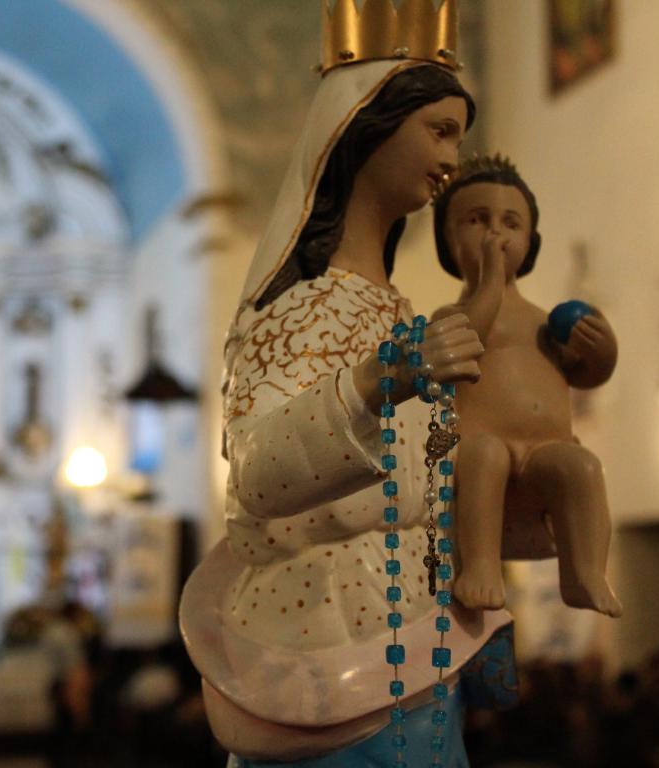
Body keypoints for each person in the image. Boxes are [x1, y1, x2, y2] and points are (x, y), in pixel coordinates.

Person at [178, 53, 515, 768]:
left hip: (414, 653)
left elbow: (427, 488)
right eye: (440, 132)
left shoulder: (395, 308)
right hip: (320, 648)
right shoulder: (301, 308)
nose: (451, 159)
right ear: (366, 132)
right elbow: (259, 475)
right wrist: (380, 378)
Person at [431, 155, 621, 616]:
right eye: (477, 220)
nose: (495, 234)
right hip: (477, 446)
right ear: (448, 239)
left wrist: (602, 350)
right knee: (483, 457)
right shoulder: (448, 320)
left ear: (530, 241)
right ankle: (479, 568)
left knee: (582, 468)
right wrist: (490, 283)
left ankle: (585, 574)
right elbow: (468, 339)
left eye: (510, 223)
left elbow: (585, 375)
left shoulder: (544, 323)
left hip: (543, 448)